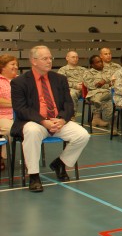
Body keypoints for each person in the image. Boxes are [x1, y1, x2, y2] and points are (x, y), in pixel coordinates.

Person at [10, 46, 90, 192]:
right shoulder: (19, 82)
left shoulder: (60, 79)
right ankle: (34, 176)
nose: (49, 61)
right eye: (44, 58)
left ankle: (60, 163)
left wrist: (62, 120)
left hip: (57, 121)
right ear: (33, 61)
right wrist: (43, 121)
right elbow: (21, 109)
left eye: (50, 58)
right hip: (35, 122)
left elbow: (68, 104)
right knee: (32, 131)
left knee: (82, 135)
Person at [83, 55, 113, 127]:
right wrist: (105, 84)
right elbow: (91, 86)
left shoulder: (108, 71)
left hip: (105, 94)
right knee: (105, 94)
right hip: (93, 93)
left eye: (101, 61)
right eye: (97, 62)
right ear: (92, 65)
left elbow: (113, 82)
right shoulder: (88, 73)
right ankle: (101, 120)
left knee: (106, 94)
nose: (100, 63)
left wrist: (104, 83)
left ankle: (96, 119)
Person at [0, 54, 19, 170]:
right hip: (3, 116)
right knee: (14, 129)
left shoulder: (20, 80)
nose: (16, 66)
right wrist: (17, 103)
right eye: (12, 64)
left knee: (33, 129)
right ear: (2, 67)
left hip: (20, 115)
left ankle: (30, 163)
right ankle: (2, 156)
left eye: (17, 64)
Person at [57, 50, 87, 119]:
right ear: (67, 58)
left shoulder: (83, 69)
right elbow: (61, 82)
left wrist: (83, 85)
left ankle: (96, 117)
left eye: (77, 57)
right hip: (71, 89)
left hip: (84, 89)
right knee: (71, 94)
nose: (75, 59)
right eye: (73, 57)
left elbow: (89, 79)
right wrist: (75, 85)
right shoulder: (63, 70)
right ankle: (72, 116)